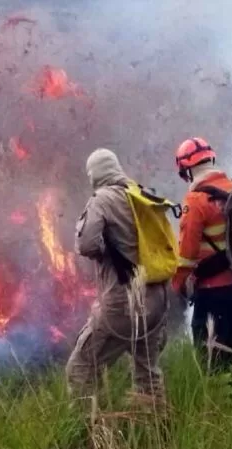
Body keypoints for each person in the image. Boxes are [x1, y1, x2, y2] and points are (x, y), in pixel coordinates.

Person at [66, 148, 169, 415]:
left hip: (123, 302)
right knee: (148, 372)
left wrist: (103, 252)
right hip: (157, 297)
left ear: (94, 175)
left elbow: (87, 244)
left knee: (81, 368)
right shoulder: (140, 194)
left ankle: (87, 433)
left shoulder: (102, 199)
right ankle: (157, 426)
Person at [171, 137, 232, 374]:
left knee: (207, 350)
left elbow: (187, 254)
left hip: (214, 288)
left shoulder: (196, 201)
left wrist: (176, 285)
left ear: (187, 170)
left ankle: (218, 396)